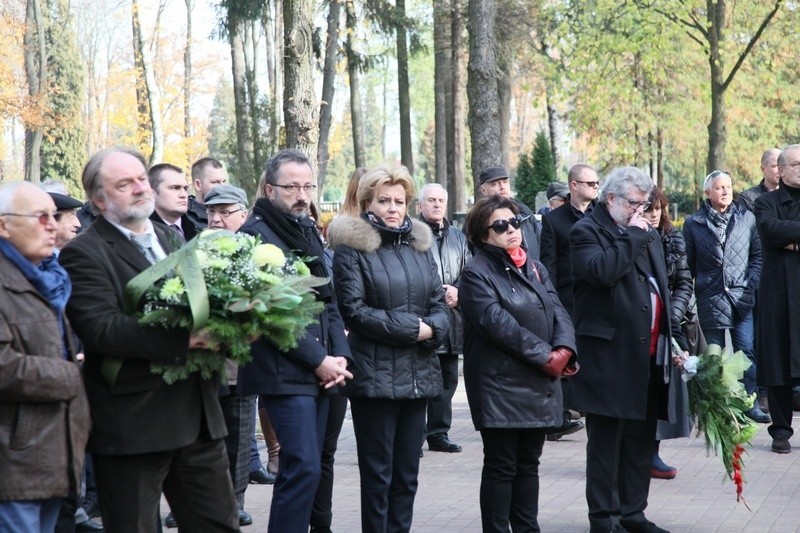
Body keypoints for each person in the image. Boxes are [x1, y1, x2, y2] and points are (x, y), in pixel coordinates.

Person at [59, 147, 240, 532]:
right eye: (124, 184)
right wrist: (188, 339)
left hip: (199, 415)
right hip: (135, 422)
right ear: (99, 200)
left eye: (141, 179)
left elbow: (205, 301)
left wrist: (237, 324)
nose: (139, 189)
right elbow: (102, 329)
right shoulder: (83, 253)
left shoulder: (171, 238)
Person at [327, 164, 450, 532]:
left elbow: (439, 304)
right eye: (384, 201)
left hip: (418, 375)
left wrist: (433, 328)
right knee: (378, 477)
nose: (393, 208)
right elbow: (355, 310)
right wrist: (416, 329)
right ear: (368, 203)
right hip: (375, 377)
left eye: (399, 201)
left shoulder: (420, 246)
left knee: (407, 475)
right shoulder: (352, 250)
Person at [237, 149, 352, 533]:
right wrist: (320, 360)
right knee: (301, 466)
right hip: (283, 371)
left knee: (314, 466)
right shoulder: (254, 237)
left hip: (323, 371)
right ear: (270, 190)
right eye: (292, 187)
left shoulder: (306, 231)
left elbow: (329, 303)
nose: (302, 195)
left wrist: (340, 358)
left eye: (308, 186)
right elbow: (268, 315)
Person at [570, 166, 683, 533]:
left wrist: (672, 339)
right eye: (635, 203)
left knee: (639, 441)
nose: (642, 210)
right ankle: (604, 519)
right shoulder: (587, 231)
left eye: (645, 203)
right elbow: (603, 272)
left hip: (649, 355)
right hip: (609, 357)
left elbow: (659, 288)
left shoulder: (642, 233)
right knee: (607, 445)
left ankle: (634, 514)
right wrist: (633, 236)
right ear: (612, 198)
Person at [459, 195, 577, 532]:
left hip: (538, 381)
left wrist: (565, 348)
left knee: (529, 464)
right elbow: (499, 327)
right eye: (500, 225)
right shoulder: (475, 274)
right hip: (501, 385)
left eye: (515, 222)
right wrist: (548, 358)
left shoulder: (535, 267)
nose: (511, 229)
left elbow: (559, 311)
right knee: (501, 465)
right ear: (483, 235)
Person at [0, 182, 91, 532]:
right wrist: (72, 374)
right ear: (4, 225)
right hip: (14, 463)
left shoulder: (49, 279)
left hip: (52, 455)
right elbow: (5, 367)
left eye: (54, 216)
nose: (52, 224)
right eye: (40, 217)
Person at [683, 170, 768, 424]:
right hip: (711, 298)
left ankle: (747, 402)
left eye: (728, 187)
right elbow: (688, 264)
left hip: (742, 298)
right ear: (707, 192)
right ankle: (716, 406)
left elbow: (757, 257)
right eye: (719, 188)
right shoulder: (693, 223)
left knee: (746, 352)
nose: (725, 191)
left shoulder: (747, 218)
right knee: (714, 357)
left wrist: (750, 283)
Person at [540, 164, 599, 442]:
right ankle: (558, 417)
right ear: (574, 185)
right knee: (564, 354)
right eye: (590, 183)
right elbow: (548, 265)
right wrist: (550, 301)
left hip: (598, 296)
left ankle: (591, 407)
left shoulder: (603, 215)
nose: (595, 188)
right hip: (567, 299)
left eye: (597, 184)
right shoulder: (554, 220)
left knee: (595, 354)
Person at [642, 188, 694, 479]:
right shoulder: (629, 236)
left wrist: (671, 315)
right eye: (648, 209)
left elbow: (684, 281)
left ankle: (653, 453)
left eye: (658, 209)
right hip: (641, 325)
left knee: (665, 389)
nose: (653, 214)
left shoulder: (673, 237)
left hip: (670, 324)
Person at [416, 183, 471, 454]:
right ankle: (414, 436)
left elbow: (469, 270)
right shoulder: (412, 235)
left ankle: (439, 433)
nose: (437, 205)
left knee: (448, 379)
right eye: (431, 200)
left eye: (441, 200)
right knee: (422, 378)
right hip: (424, 317)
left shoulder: (458, 237)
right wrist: (439, 292)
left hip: (452, 319)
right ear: (420, 205)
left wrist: (458, 289)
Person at [753, 143, 800, 454]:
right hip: (778, 293)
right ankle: (780, 429)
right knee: (779, 359)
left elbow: (781, 234)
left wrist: (790, 238)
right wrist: (784, 238)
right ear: (780, 170)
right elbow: (769, 233)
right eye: (795, 164)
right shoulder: (765, 203)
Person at [477, 166, 540, 259]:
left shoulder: (525, 213)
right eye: (494, 184)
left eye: (505, 182)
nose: (502, 187)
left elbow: (540, 244)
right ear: (483, 190)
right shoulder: (478, 219)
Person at [148, 163, 198, 241]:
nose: (184, 195)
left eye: (185, 188)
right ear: (152, 193)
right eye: (175, 188)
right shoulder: (143, 233)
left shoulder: (195, 229)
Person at [186, 156, 228, 229]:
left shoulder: (234, 211)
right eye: (215, 182)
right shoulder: (184, 218)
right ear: (198, 185)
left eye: (224, 181)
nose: (222, 187)